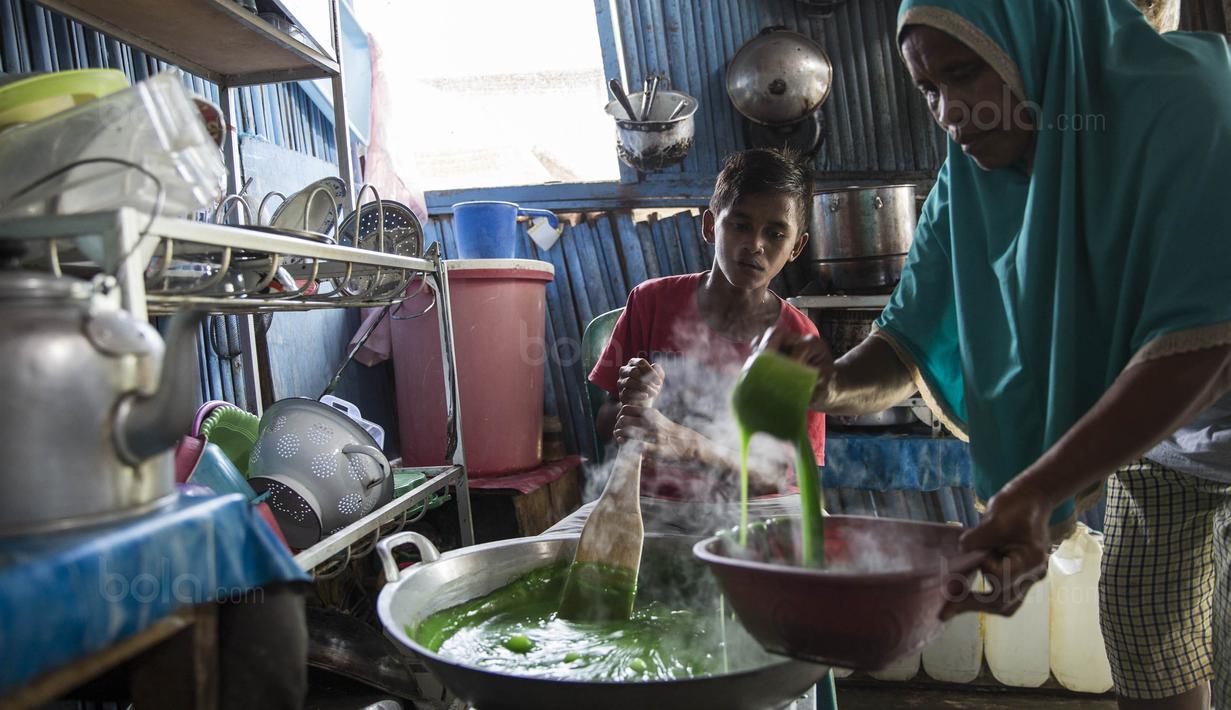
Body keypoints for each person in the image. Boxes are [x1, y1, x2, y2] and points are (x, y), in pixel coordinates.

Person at [757, 1, 1231, 708]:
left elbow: (1205, 342)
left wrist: (1038, 490)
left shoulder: (1187, 109)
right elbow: (910, 332)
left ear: (1035, 44)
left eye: (965, 73)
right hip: (1157, 443)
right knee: (1146, 649)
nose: (949, 111)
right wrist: (825, 384)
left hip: (1191, 389)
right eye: (928, 88)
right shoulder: (973, 168)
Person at [556, 148, 825, 535]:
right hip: (649, 505)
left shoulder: (798, 338)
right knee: (553, 555)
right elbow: (605, 421)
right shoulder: (651, 302)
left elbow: (783, 473)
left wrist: (689, 444)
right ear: (711, 226)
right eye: (740, 225)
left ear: (796, 247)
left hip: (755, 509)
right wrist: (634, 406)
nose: (755, 244)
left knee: (821, 568)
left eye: (775, 233)